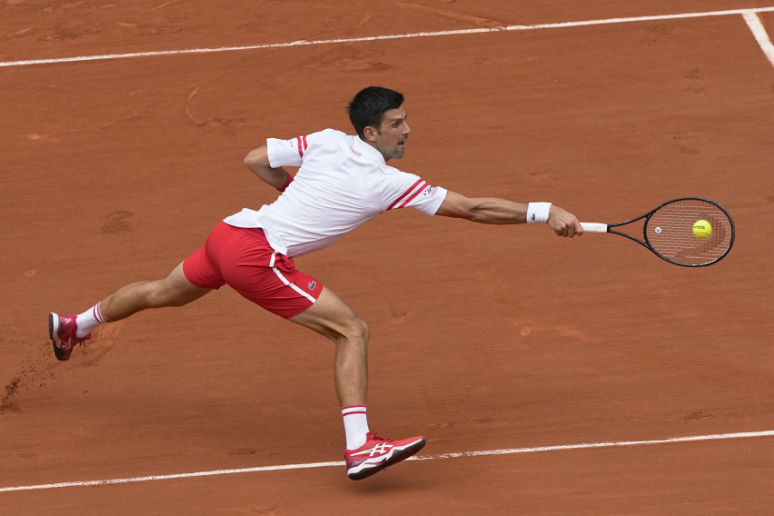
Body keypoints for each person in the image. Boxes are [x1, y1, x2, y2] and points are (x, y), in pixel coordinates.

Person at [49, 86, 584, 481]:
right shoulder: (388, 182)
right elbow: (471, 209)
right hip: (259, 256)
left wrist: (292, 193)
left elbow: (255, 159)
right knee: (351, 331)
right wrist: (545, 209)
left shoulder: (327, 142)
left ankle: (76, 324)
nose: (408, 131)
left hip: (229, 233)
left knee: (159, 291)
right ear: (371, 132)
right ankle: (360, 447)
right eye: (398, 124)